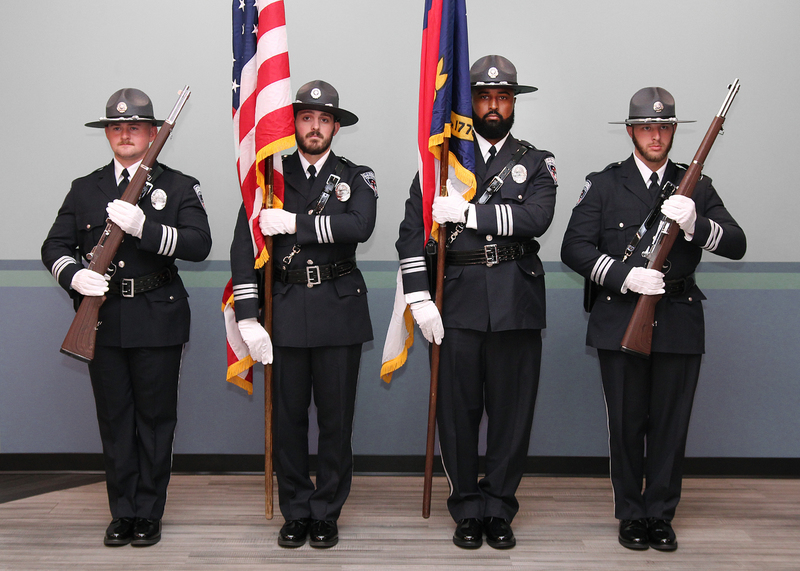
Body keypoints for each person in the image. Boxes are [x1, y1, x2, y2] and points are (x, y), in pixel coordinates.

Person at [561, 87, 746, 551]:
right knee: (625, 424)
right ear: (631, 132)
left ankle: (660, 515)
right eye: (647, 127)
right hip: (621, 318)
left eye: (664, 127)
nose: (656, 135)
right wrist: (625, 277)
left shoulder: (696, 186)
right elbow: (574, 248)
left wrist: (695, 225)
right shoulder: (603, 183)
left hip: (679, 319)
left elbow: (737, 243)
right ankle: (631, 514)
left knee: (670, 423)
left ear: (673, 132)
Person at [396, 55, 557, 549]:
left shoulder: (535, 161)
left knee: (512, 413)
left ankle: (500, 508)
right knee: (457, 413)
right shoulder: (440, 162)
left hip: (515, 301)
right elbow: (410, 236)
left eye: (503, 98)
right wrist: (420, 297)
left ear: (513, 104)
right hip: (456, 302)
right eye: (484, 97)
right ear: (469, 103)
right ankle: (467, 507)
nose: (494, 106)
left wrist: (469, 212)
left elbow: (537, 219)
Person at [41, 88, 212, 546]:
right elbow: (53, 246)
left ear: (153, 133)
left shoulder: (176, 185)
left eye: (134, 127)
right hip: (104, 318)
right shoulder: (86, 187)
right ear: (108, 135)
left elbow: (199, 245)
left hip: (158, 316)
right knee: (115, 419)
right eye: (116, 127)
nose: (124, 134)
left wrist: (146, 228)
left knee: (156, 421)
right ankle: (123, 511)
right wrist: (75, 277)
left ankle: (149, 512)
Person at [229, 80, 377, 549]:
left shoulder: (357, 176)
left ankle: (327, 511)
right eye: (307, 118)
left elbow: (361, 224)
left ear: (336, 126)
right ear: (293, 123)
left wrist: (297, 223)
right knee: (287, 419)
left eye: (324, 119)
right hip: (284, 310)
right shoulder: (267, 178)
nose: (315, 127)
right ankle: (296, 509)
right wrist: (249, 317)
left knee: (336, 420)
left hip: (338, 308)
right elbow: (242, 249)